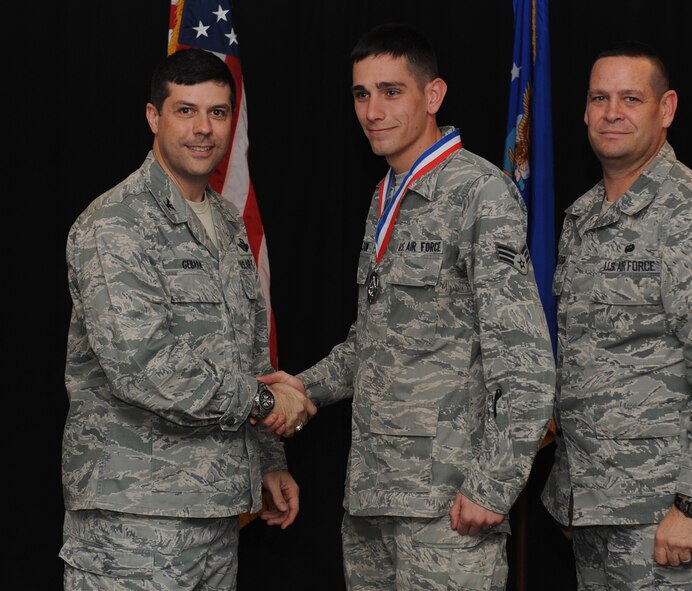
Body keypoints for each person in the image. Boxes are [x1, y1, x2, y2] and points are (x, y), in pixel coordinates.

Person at [267, 22, 556, 591]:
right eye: (361, 93)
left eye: (391, 91)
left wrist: (491, 486)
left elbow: (526, 364)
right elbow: (373, 342)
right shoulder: (384, 197)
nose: (373, 110)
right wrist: (301, 387)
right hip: (374, 499)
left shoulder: (480, 192)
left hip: (446, 508)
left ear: (433, 95)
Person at [60, 47, 315, 590]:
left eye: (218, 112)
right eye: (186, 110)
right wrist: (268, 404)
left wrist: (268, 456)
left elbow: (249, 354)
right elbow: (142, 365)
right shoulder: (116, 223)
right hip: (134, 523)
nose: (204, 129)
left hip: (216, 513)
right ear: (154, 117)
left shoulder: (225, 220)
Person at [541, 40, 692, 590]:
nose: (612, 113)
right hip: (600, 514)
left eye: (630, 98)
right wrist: (577, 496)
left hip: (674, 519)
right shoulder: (582, 218)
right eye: (599, 98)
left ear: (665, 109)